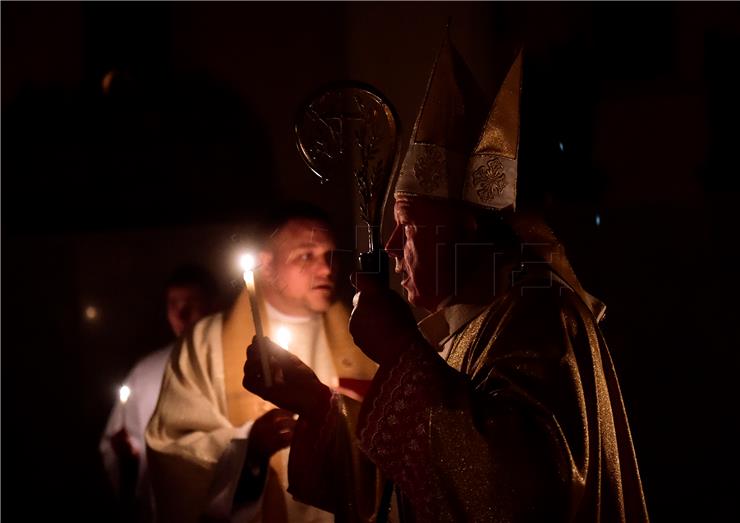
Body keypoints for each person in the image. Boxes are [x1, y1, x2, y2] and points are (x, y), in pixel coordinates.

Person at [243, 37, 649, 522]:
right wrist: (316, 406)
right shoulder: (463, 328)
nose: (392, 246)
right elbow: (402, 485)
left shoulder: (540, 319)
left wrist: (398, 349)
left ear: (468, 225)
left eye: (409, 224)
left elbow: (515, 497)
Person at [145, 203, 377, 523]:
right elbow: (171, 449)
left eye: (330, 256)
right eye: (306, 256)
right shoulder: (205, 344)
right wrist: (248, 446)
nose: (326, 269)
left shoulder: (364, 338)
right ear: (266, 266)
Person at [100, 263, 220, 522]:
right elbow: (118, 447)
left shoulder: (232, 363)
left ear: (213, 305)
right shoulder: (145, 371)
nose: (182, 312)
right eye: (173, 303)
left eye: (191, 301)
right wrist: (127, 458)